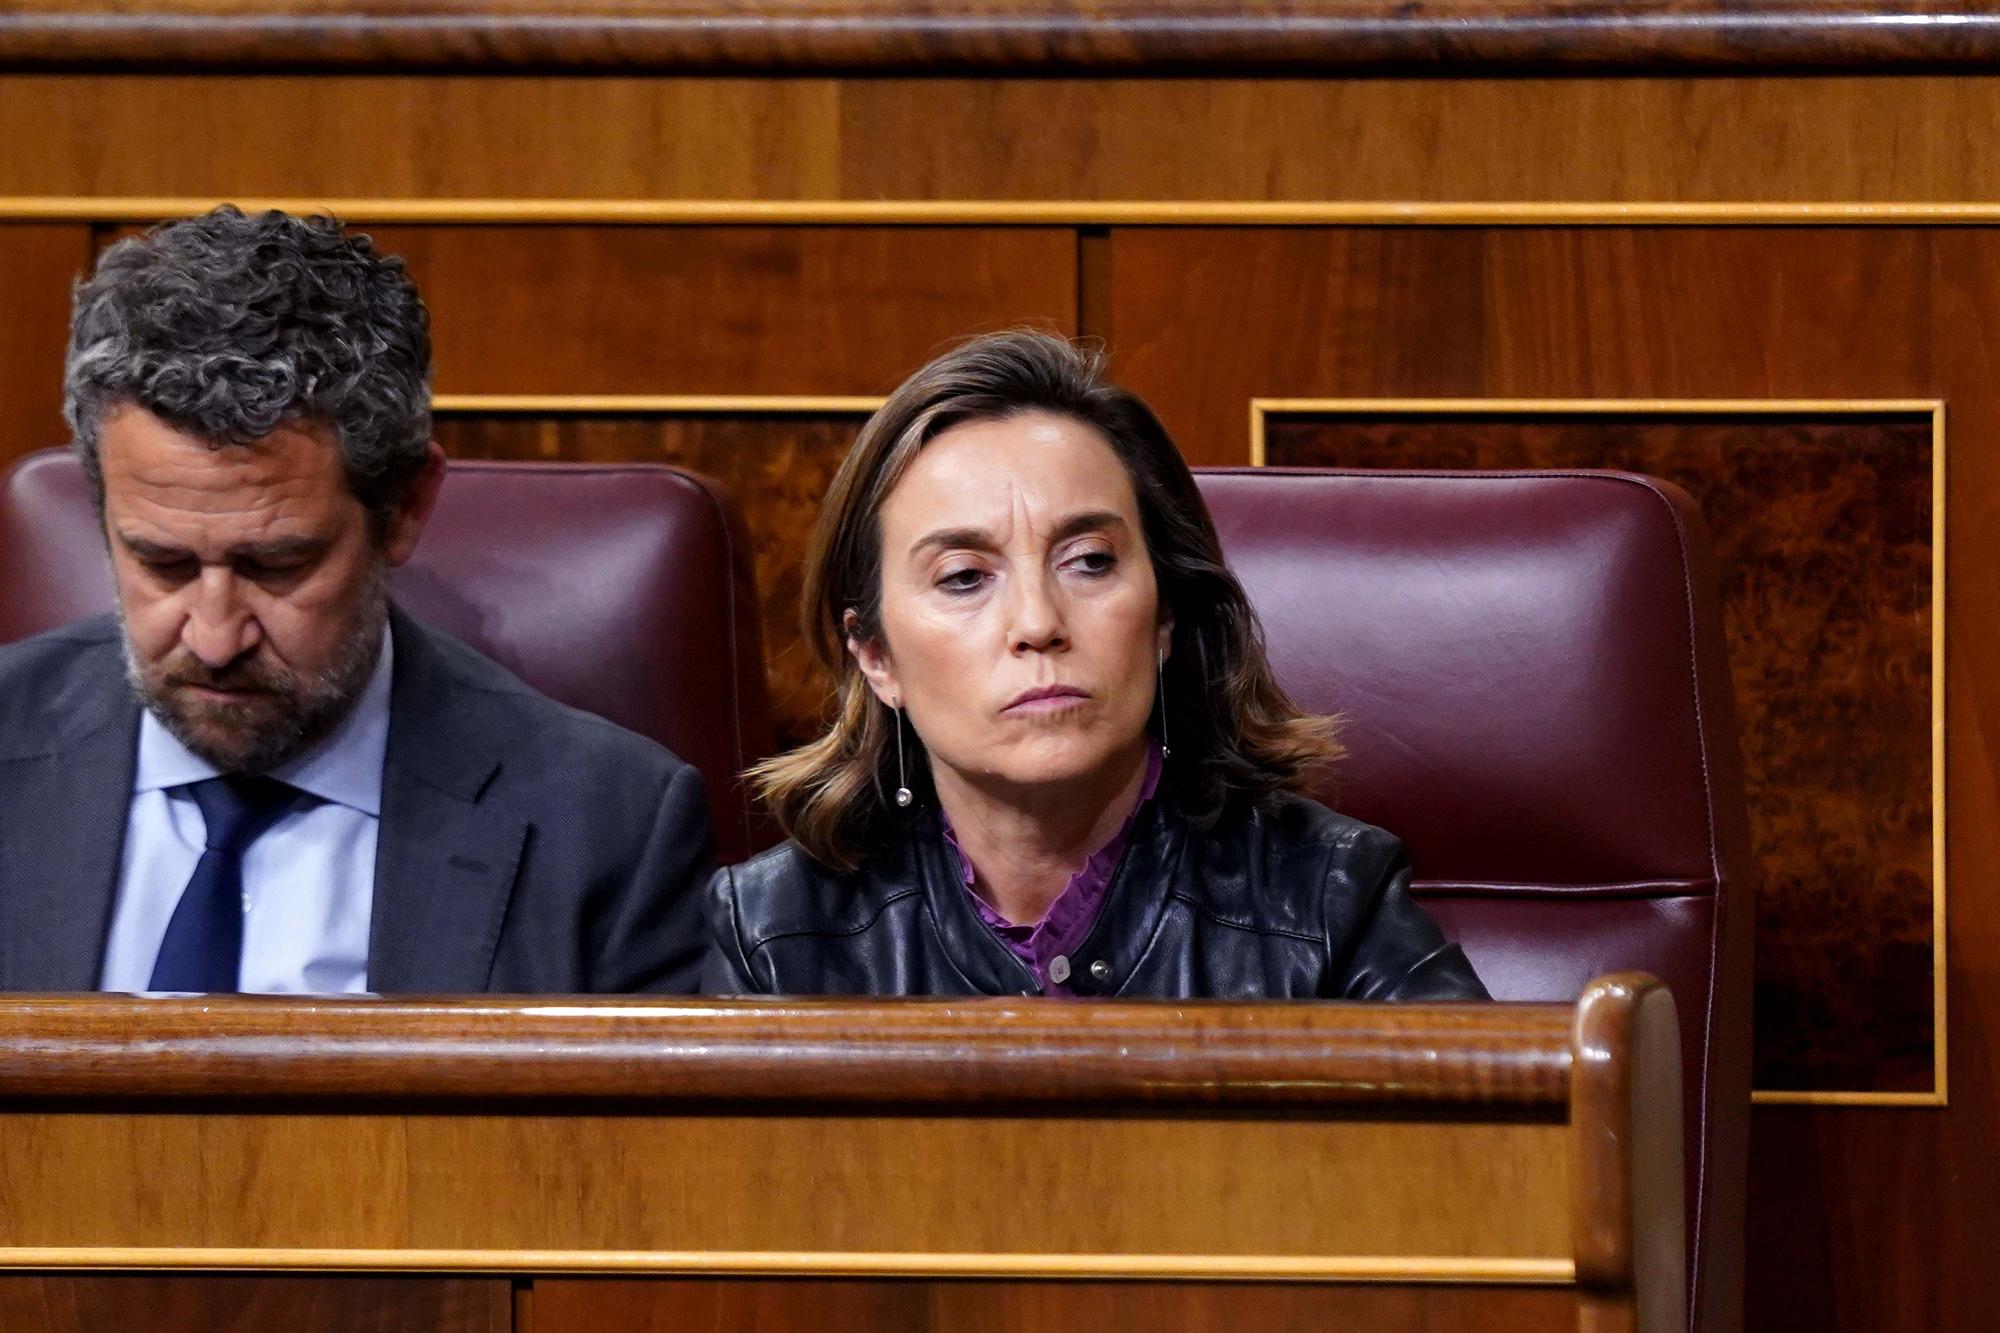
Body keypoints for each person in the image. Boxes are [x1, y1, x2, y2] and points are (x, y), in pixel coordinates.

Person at [0, 206, 713, 994]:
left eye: (276, 564)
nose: (213, 636)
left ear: (404, 507)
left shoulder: (605, 828)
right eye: (161, 561)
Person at [704, 330, 1487, 1000]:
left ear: (1164, 617)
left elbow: (1498, 1168)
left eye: (1088, 562)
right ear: (876, 657)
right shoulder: (777, 933)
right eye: (964, 578)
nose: (1039, 624)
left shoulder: (1330, 900)